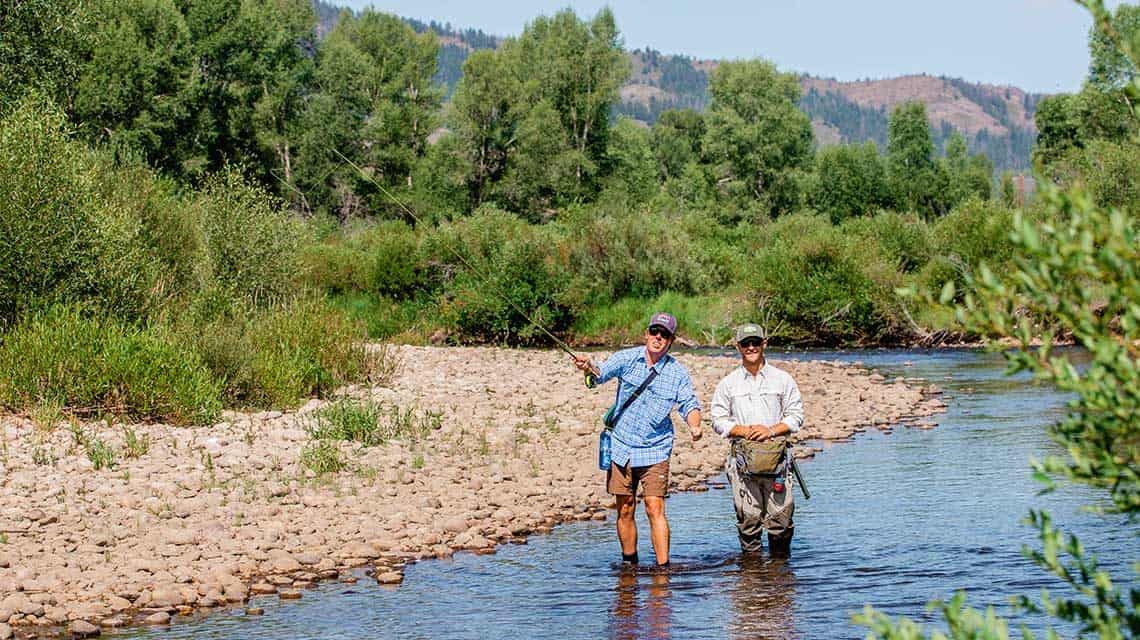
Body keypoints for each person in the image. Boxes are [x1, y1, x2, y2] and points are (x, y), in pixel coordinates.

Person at [572, 312, 703, 567]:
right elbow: (599, 374)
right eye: (655, 332)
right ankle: (629, 565)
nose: (658, 337)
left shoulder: (677, 373)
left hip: (656, 449)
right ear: (646, 333)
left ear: (671, 340)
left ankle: (663, 569)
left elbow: (689, 403)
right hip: (621, 446)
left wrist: (695, 426)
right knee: (625, 507)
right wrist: (587, 366)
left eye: (664, 335)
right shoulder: (627, 358)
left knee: (655, 508)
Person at [710, 323, 804, 557]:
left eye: (755, 342)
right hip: (742, 463)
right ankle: (751, 579)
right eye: (746, 344)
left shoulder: (783, 379)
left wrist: (771, 430)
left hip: (779, 462)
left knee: (781, 523)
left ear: (764, 344)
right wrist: (743, 430)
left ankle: (779, 579)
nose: (751, 347)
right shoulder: (728, 383)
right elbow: (717, 419)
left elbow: (796, 416)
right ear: (738, 347)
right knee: (749, 523)